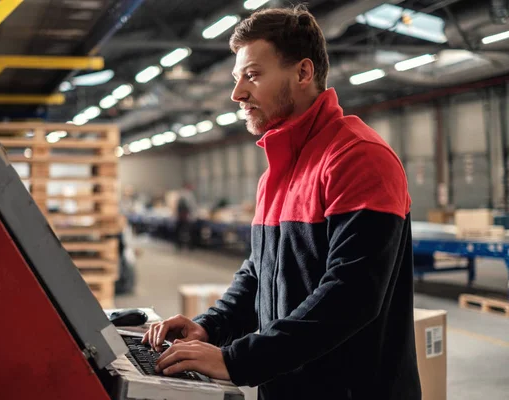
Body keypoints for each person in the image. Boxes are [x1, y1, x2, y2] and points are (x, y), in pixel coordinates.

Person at [143, 6, 421, 399]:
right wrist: (210, 326)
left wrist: (236, 360)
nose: (237, 93)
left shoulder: (359, 157)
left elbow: (352, 295)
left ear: (303, 73)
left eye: (252, 75)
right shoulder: (278, 172)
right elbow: (260, 273)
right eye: (237, 78)